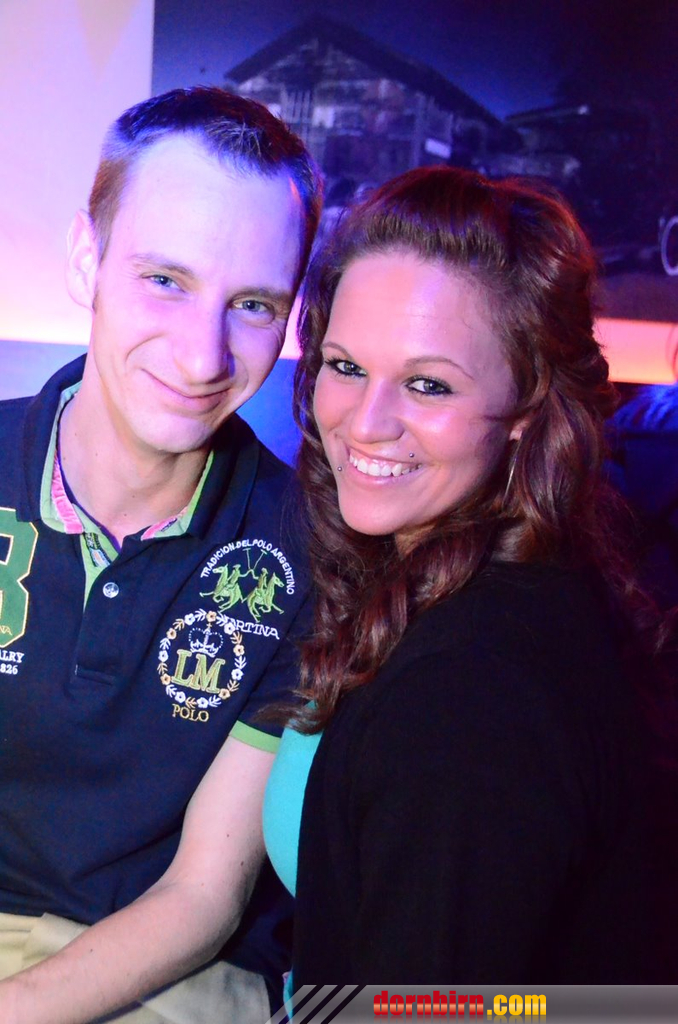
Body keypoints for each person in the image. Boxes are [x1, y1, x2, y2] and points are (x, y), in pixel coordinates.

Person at [263, 166, 673, 987]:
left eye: (428, 384)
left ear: (526, 405)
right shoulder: (504, 578)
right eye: (345, 366)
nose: (366, 423)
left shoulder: (467, 699)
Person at [0, 87, 322, 1023]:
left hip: (175, 968)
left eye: (252, 304)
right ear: (86, 259)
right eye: (166, 281)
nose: (201, 355)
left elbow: (203, 896)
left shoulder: (307, 549)